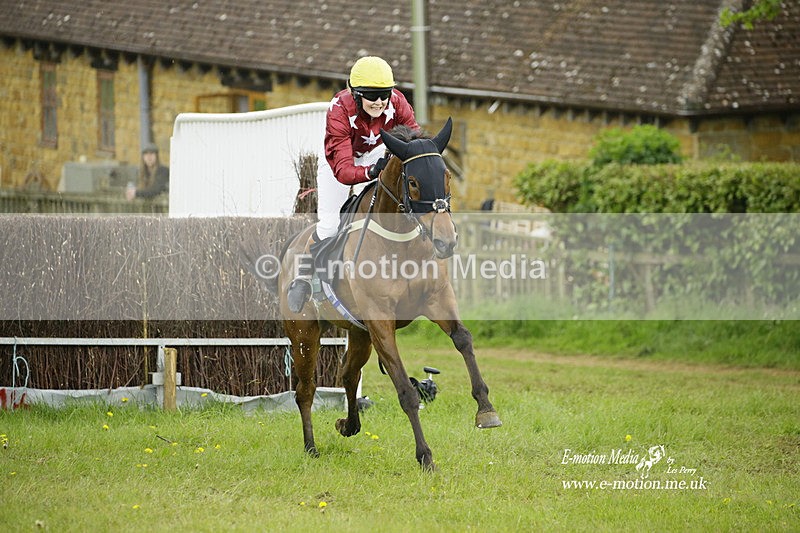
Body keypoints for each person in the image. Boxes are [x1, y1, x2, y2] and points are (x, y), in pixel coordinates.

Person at [287, 56, 420, 312]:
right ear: (356, 95)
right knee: (330, 225)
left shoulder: (398, 102)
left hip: (376, 154)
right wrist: (371, 171)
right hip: (339, 160)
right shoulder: (339, 108)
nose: (380, 102)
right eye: (372, 95)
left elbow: (413, 139)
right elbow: (345, 172)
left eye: (384, 95)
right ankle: (303, 278)